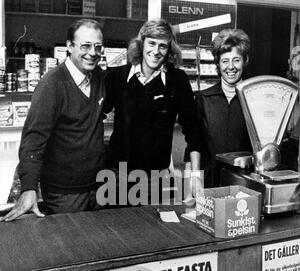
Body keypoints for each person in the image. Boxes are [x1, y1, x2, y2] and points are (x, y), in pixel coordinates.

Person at [1, 19, 106, 222]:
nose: (92, 52)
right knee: (71, 247)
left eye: (98, 46)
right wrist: (29, 188)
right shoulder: (52, 84)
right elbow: (33, 140)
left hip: (98, 187)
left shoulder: (100, 77)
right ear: (69, 46)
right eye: (85, 45)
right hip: (65, 195)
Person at [103, 19, 202, 205]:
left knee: (155, 232)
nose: (156, 51)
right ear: (141, 43)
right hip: (116, 177)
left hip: (156, 179)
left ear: (170, 49)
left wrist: (195, 176)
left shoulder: (177, 80)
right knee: (112, 229)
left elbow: (193, 130)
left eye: (163, 46)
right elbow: (95, 116)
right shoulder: (117, 77)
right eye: (151, 43)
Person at [185, 28, 252, 188]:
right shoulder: (203, 98)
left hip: (245, 181)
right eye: (225, 61)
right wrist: (194, 177)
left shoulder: (253, 98)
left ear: (245, 61)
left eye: (236, 60)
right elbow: (195, 143)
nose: (231, 67)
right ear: (217, 64)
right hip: (209, 181)